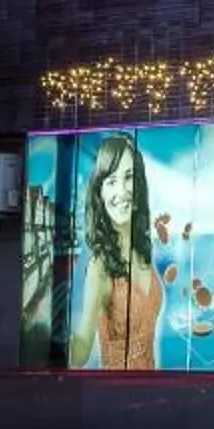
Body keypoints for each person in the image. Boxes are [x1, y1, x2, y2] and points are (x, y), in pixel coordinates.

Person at [75, 133, 163, 369]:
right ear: (100, 193)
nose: (122, 190)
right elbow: (82, 346)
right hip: (117, 396)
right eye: (111, 181)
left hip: (153, 392)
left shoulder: (142, 251)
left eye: (129, 177)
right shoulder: (99, 267)